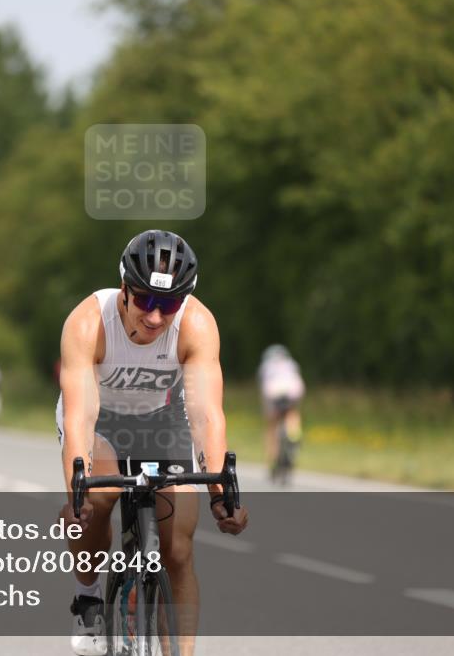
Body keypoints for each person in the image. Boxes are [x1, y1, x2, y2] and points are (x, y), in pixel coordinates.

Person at [56, 229, 249, 656]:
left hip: (164, 419)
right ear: (124, 288)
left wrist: (221, 493)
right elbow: (80, 417)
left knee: (178, 547)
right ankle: (87, 596)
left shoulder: (196, 324)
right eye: (145, 300)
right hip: (101, 419)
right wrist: (79, 489)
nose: (156, 317)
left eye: (169, 304)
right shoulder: (89, 323)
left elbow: (205, 414)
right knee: (98, 500)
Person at [258, 344, 305, 480]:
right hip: (293, 389)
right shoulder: (291, 363)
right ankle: (294, 435)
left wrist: (268, 412)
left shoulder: (266, 366)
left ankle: (272, 461)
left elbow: (263, 391)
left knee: (271, 427)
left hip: (273, 390)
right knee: (292, 413)